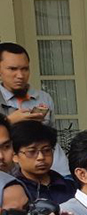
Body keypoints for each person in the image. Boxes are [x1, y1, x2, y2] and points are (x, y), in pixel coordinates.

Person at [0, 42, 70, 176]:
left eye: (25, 69)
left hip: (57, 171)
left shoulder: (43, 98)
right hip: (15, 175)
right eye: (12, 69)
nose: (20, 75)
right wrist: (9, 122)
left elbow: (52, 136)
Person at [11, 121, 75, 205]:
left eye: (47, 150)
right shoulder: (13, 190)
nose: (41, 157)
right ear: (15, 156)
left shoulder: (69, 186)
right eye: (31, 151)